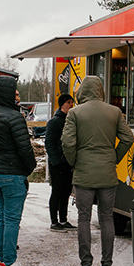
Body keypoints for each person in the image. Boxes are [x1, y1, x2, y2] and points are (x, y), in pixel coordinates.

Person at [61, 76, 133, 266]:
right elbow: (128, 138)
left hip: (84, 172)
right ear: (101, 90)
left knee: (84, 218)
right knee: (107, 217)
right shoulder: (114, 112)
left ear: (82, 91)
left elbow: (67, 143)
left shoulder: (75, 112)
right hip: (108, 172)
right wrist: (114, 158)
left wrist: (75, 161)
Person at [0, 75, 36, 266]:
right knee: (12, 219)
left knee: (2, 218)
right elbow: (25, 149)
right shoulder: (14, 117)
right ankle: (9, 262)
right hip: (12, 173)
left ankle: (2, 261)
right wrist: (28, 169)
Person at [44, 93, 76, 232]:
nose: (71, 105)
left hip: (68, 163)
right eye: (69, 102)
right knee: (57, 192)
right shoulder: (54, 122)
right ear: (62, 104)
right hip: (57, 164)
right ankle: (54, 221)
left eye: (72, 102)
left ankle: (63, 220)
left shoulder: (71, 121)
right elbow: (49, 143)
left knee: (66, 192)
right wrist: (56, 161)